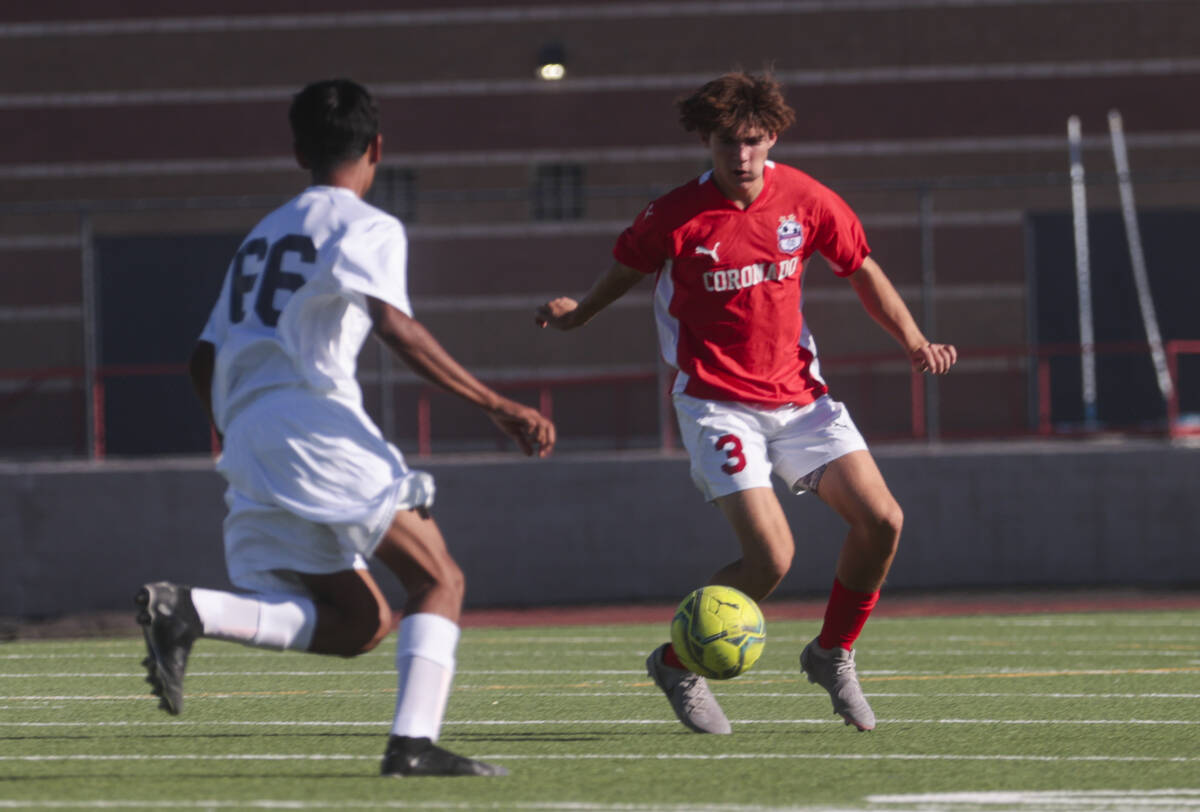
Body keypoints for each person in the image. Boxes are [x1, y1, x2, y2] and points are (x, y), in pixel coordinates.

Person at [136, 78, 555, 777]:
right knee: (438, 579)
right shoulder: (368, 225)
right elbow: (395, 324)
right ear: (378, 149)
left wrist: (241, 431)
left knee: (359, 623)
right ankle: (412, 748)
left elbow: (201, 358)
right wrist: (498, 405)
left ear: (299, 150)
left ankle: (191, 610)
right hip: (314, 427)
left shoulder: (259, 236)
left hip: (248, 435)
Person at [536, 71, 955, 734]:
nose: (741, 155)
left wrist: (914, 338)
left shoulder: (807, 199)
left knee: (882, 520)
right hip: (716, 404)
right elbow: (626, 268)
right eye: (728, 141)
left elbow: (861, 267)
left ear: (773, 138)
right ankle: (678, 663)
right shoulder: (676, 214)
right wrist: (580, 315)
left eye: (753, 140)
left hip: (800, 399)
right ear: (706, 139)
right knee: (773, 560)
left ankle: (831, 654)